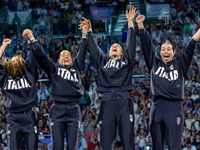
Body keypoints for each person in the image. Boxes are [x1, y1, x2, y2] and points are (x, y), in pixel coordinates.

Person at [136, 14, 200, 150]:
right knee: (156, 147)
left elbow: (189, 46)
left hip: (174, 108)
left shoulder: (180, 63)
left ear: (173, 52)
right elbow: (147, 46)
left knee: (174, 146)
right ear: (160, 53)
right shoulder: (154, 63)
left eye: (168, 49)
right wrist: (141, 26)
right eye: (163, 49)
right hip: (157, 107)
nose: (165, 51)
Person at [22, 19, 88, 150]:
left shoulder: (76, 67)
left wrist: (85, 34)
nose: (66, 57)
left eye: (68, 55)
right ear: (58, 60)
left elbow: (82, 52)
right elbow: (42, 56)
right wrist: (32, 39)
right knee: (57, 146)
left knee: (72, 146)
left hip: (74, 110)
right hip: (57, 109)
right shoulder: (54, 69)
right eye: (63, 55)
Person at [80, 6, 137, 149]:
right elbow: (93, 48)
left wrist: (130, 23)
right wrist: (89, 32)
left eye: (117, 46)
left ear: (122, 52)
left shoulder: (127, 59)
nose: (114, 46)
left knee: (128, 140)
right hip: (107, 102)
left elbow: (131, 44)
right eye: (112, 46)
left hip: (124, 101)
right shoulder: (104, 60)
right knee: (105, 142)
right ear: (109, 52)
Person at [0, 38, 38, 150]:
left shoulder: (29, 74)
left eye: (18, 62)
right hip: (13, 118)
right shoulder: (5, 77)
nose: (15, 64)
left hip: (29, 117)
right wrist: (3, 46)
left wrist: (30, 39)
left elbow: (32, 57)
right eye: (13, 63)